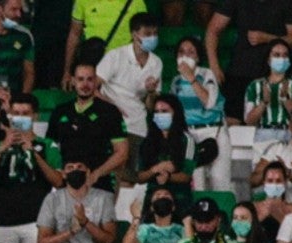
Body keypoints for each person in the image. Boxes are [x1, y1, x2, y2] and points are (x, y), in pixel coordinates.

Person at [0, 91, 63, 243]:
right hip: (3, 220)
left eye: (25, 114)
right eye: (16, 113)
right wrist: (3, 147)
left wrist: (34, 153)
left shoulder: (47, 145)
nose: (20, 118)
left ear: (35, 116)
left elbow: (58, 181)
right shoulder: (0, 146)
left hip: (36, 221)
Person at [96, 12, 163, 183]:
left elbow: (150, 106)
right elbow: (92, 88)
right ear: (134, 34)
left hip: (137, 126)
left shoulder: (156, 63)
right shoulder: (115, 56)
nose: (152, 38)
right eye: (147, 34)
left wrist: (150, 92)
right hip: (111, 124)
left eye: (155, 33)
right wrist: (112, 108)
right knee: (108, 172)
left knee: (130, 176)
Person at [46, 62, 128, 194]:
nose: (85, 84)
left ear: (96, 81)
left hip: (100, 184)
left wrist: (96, 174)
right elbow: (50, 147)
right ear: (73, 81)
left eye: (90, 79)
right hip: (66, 185)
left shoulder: (110, 112)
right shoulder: (60, 111)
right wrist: (59, 172)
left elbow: (122, 153)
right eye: (80, 79)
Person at [170, 36, 229, 192]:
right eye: (181, 52)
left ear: (197, 57)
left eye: (191, 52)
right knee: (197, 182)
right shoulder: (175, 82)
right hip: (190, 135)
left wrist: (191, 78)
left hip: (214, 131)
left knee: (219, 180)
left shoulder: (207, 74)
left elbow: (208, 102)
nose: (185, 55)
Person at [61, 0, 149, 90]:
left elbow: (144, 38)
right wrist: (67, 71)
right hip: (93, 68)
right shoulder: (82, 1)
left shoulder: (136, 2)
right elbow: (74, 35)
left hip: (124, 70)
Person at [243, 39, 292, 148]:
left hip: (289, 133)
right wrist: (264, 102)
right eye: (276, 55)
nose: (281, 59)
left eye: (285, 55)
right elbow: (249, 120)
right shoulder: (255, 85)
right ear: (268, 59)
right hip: (263, 134)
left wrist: (286, 99)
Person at [137, 94, 195, 214]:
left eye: (164, 111)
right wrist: (155, 169)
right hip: (152, 200)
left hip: (180, 201)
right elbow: (140, 177)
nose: (160, 115)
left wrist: (168, 176)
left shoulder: (187, 140)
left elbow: (186, 176)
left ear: (176, 113)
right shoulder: (147, 142)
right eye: (157, 112)